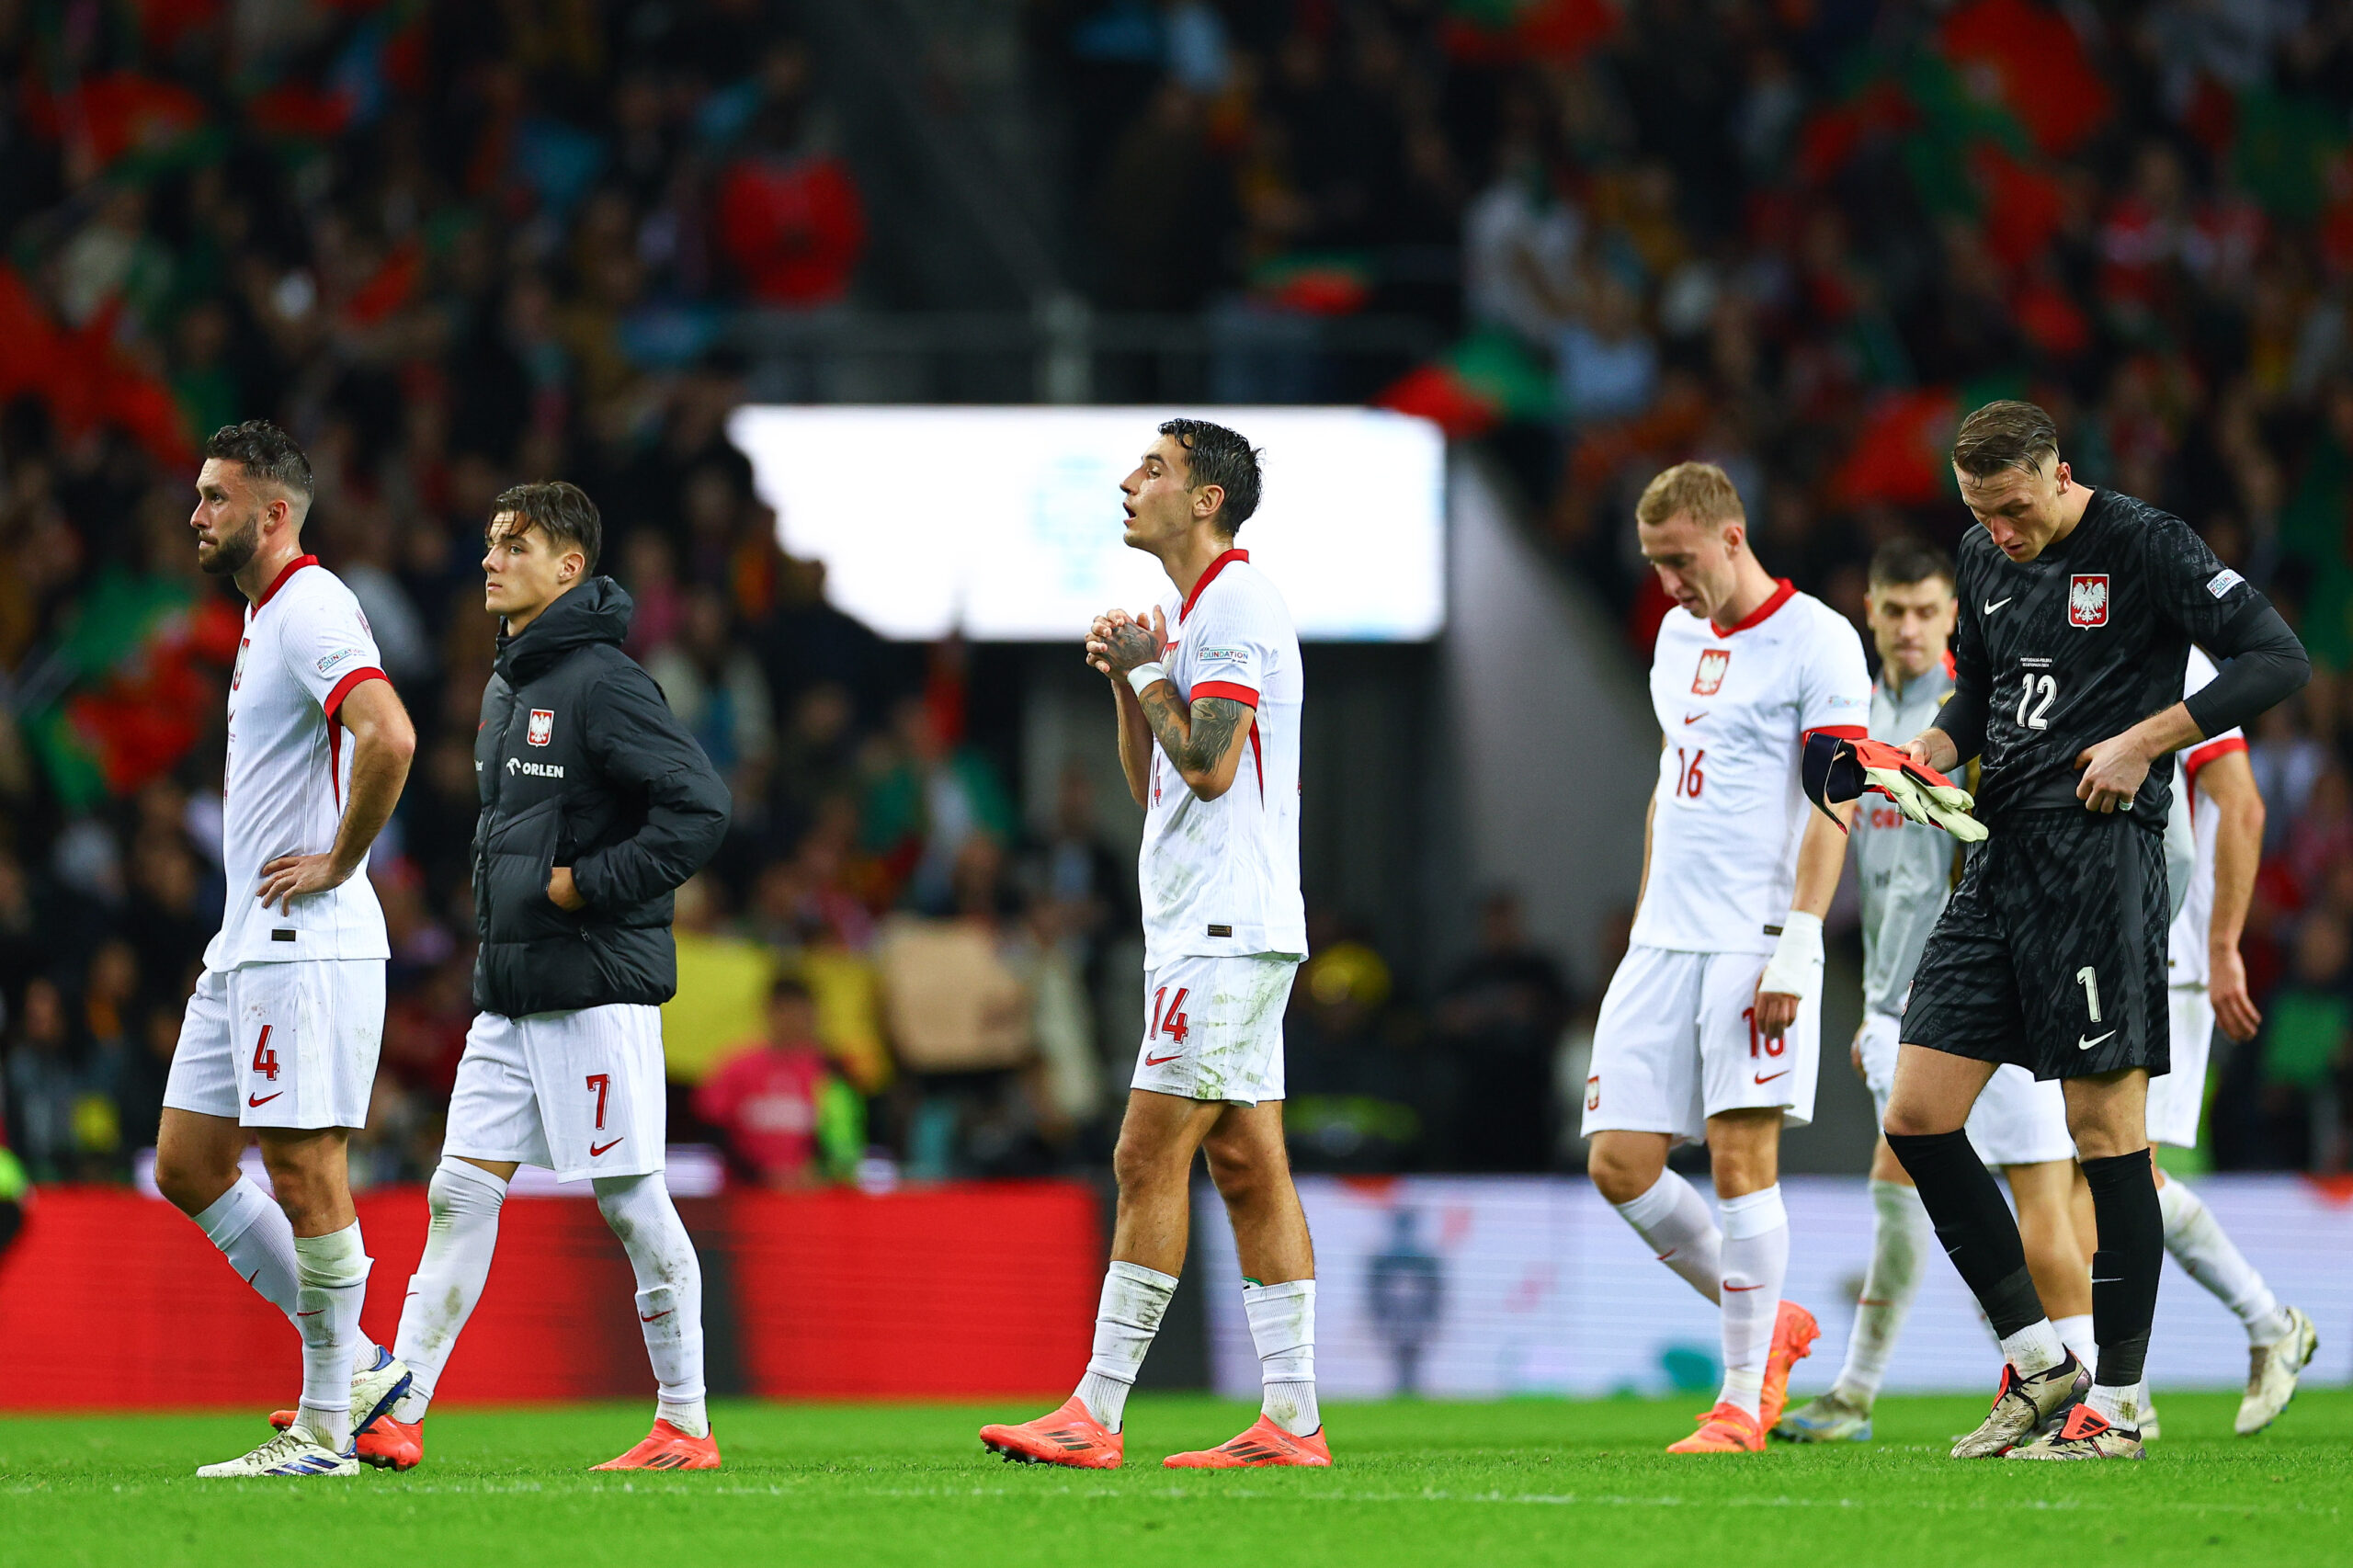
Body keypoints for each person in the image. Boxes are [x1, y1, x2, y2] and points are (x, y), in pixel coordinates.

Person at [1889, 401, 2309, 1460]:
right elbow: (1979, 693)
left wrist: (2144, 741)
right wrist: (1927, 755)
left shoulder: (2144, 543)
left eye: (2015, 508)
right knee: (1918, 1113)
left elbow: (2275, 658)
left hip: (2099, 861)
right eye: (1980, 512)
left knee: (2107, 1139)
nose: (2000, 531)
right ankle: (2039, 1365)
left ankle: (2116, 1404)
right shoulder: (1981, 555)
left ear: (2059, 473)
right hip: (1999, 861)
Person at [306, 482, 730, 1471]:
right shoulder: (508, 687)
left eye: (517, 543)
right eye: (491, 539)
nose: (491, 557)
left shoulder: (603, 682)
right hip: (511, 992)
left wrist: (591, 884)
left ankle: (685, 1421)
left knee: (630, 1200)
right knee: (459, 1191)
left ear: (569, 567)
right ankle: (397, 1405)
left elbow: (700, 807)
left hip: (594, 987)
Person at [979, 419, 1324, 1469]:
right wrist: (1127, 681)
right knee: (1248, 1163)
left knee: (1143, 1150)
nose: (1130, 482)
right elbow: (1160, 786)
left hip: (1222, 928)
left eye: (1156, 469)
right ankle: (1292, 1418)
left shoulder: (1235, 606)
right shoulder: (1192, 614)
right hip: (1211, 923)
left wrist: (1147, 671)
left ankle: (1095, 1407)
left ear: (1206, 498)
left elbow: (1212, 763)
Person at [149, 421, 420, 1478]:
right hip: (246, 945)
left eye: (215, 497)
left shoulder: (312, 606)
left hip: (303, 939)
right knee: (188, 1162)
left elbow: (388, 734)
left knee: (305, 1169)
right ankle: (357, 1364)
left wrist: (339, 858)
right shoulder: (267, 619)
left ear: (272, 512)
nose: (195, 513)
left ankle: (324, 1429)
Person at [1582, 461, 1869, 1454]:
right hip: (1664, 936)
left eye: (1680, 560)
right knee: (1618, 1162)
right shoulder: (1672, 634)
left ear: (1731, 537)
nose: (1667, 583)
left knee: (1742, 1156)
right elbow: (1670, 785)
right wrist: (1641, 923)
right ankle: (1774, 1317)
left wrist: (1799, 939)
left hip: (1755, 936)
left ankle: (1740, 1401)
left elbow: (1836, 800)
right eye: (1654, 563)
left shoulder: (1820, 639)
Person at [1778, 539, 2093, 1443]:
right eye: (1893, 610)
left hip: (1983, 992)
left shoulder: (1976, 712)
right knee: (1897, 1183)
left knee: (2041, 1192)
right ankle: (1857, 1392)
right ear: (1868, 610)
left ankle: (2087, 1391)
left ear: (1950, 614)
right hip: (1899, 1006)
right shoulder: (1857, 714)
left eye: (1925, 610)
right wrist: (1876, 1000)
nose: (1909, 626)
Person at [2090, 648, 2313, 1439]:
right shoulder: (2077, 631)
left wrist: (2221, 948)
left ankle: (2140, 1387)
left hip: (2171, 952)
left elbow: (2242, 806)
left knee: (2118, 1170)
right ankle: (2245, 1334)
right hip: (2102, 945)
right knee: (2109, 1170)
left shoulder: (2178, 661)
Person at [693, 975, 863, 1187]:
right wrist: (759, 1175)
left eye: (800, 1013)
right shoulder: (736, 1067)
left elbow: (845, 1139)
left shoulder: (831, 1071)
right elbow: (713, 1129)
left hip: (812, 1196)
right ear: (768, 1011)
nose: (792, 1021)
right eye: (784, 1011)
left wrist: (819, 1172)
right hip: (744, 1196)